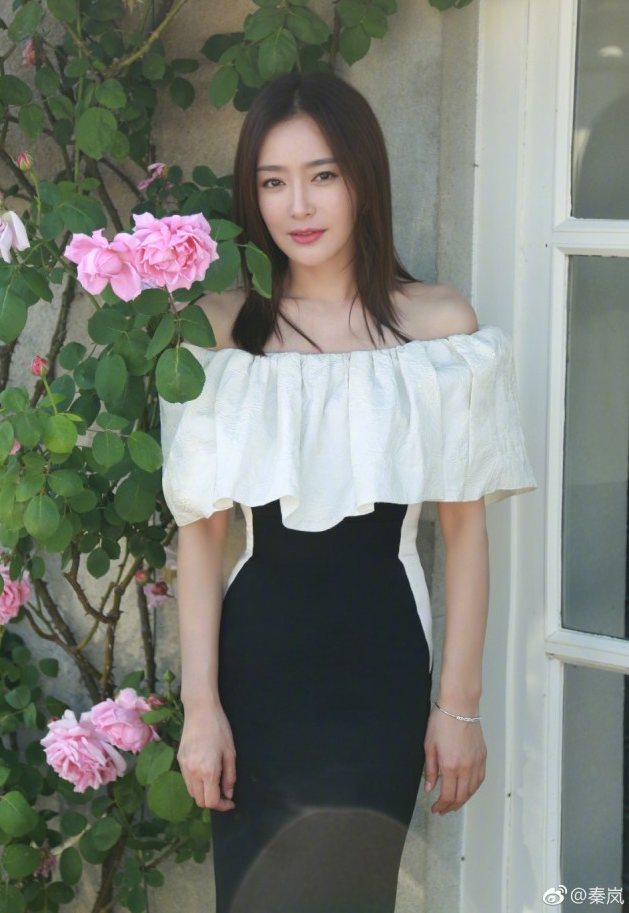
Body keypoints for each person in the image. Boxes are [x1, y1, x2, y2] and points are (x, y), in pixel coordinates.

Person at [159, 71, 537, 913]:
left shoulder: (438, 329)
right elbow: (202, 534)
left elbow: (464, 532)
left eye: (322, 174)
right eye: (272, 181)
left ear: (363, 178)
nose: (298, 205)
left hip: (382, 672)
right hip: (255, 676)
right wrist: (200, 709)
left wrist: (459, 708)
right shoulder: (219, 331)